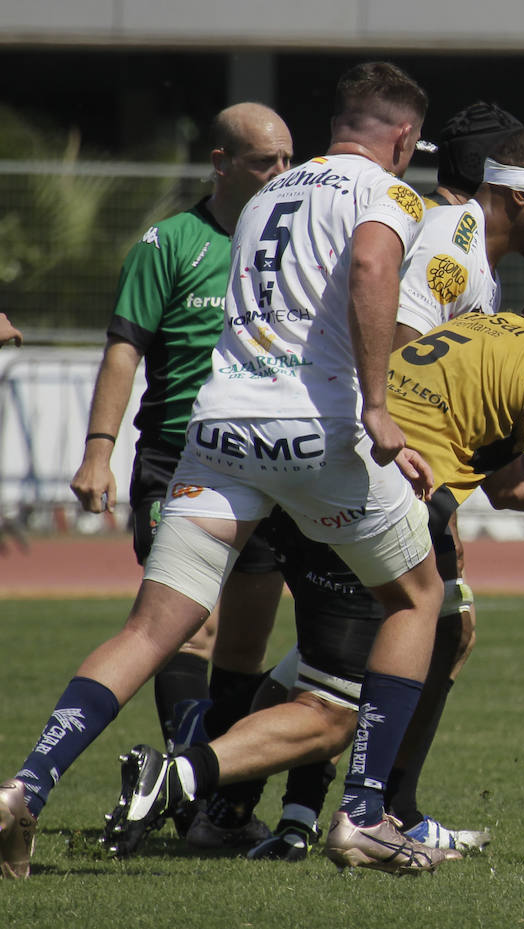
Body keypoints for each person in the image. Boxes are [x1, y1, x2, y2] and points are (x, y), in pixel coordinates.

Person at [102, 257, 524, 862]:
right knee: (329, 713)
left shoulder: (480, 331)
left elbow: (508, 487)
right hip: (365, 509)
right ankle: (190, 779)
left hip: (319, 489)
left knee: (435, 628)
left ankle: (278, 810)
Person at [0, 61, 447, 880]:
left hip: (219, 431)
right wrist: (379, 406)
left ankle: (24, 784)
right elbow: (373, 271)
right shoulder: (391, 192)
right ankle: (362, 814)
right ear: (404, 139)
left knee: (149, 628)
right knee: (418, 596)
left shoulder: (266, 198)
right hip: (315, 431)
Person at [235, 118, 524, 860]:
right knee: (359, 649)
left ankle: (335, 805)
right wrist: (409, 475)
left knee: (410, 636)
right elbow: (400, 352)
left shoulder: (479, 264)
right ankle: (253, 789)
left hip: (383, 470)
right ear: (520, 194)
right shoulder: (454, 240)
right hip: (371, 471)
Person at [67, 105, 293, 816]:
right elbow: (124, 350)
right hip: (176, 456)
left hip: (265, 460)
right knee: (192, 622)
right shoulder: (170, 243)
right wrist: (99, 453)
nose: (282, 175)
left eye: (290, 160)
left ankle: (206, 788)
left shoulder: (294, 246)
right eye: (266, 162)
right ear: (222, 163)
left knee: (248, 637)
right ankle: (186, 795)